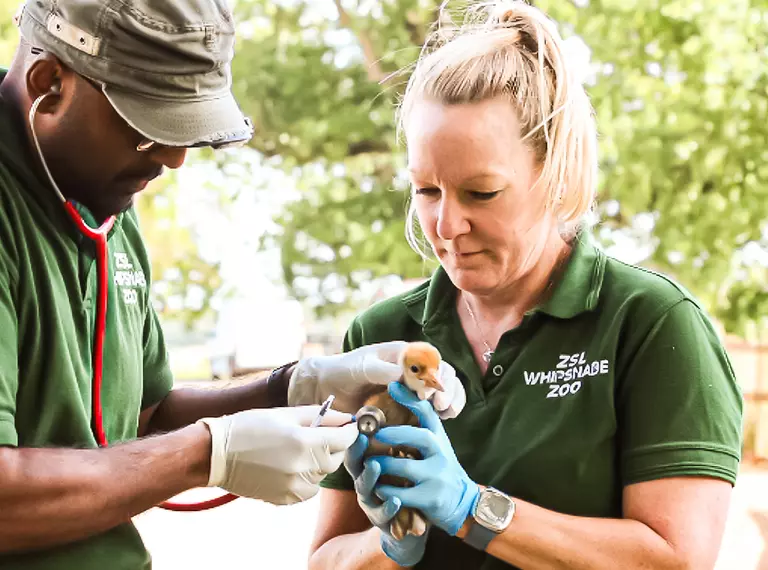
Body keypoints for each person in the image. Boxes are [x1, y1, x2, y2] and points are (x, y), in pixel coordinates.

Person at [0, 1, 468, 569]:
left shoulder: (101, 194)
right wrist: (207, 453)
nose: (174, 158)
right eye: (148, 130)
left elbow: (143, 417)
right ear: (50, 83)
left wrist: (294, 387)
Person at [309, 1, 744, 569]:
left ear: (556, 175)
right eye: (426, 191)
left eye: (481, 193)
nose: (446, 226)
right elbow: (324, 559)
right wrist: (392, 543)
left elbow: (676, 560)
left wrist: (473, 510)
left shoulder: (650, 324)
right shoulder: (383, 336)